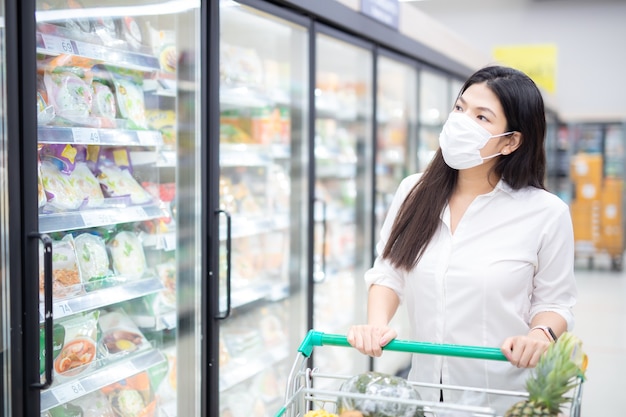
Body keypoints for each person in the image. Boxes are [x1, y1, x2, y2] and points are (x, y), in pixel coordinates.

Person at [347, 65, 577, 413]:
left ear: (512, 140)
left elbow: (555, 302)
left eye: (482, 117)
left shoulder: (546, 213)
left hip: (502, 400)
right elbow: (389, 273)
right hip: (422, 395)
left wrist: (538, 336)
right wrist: (376, 324)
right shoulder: (413, 191)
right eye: (460, 108)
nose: (462, 122)